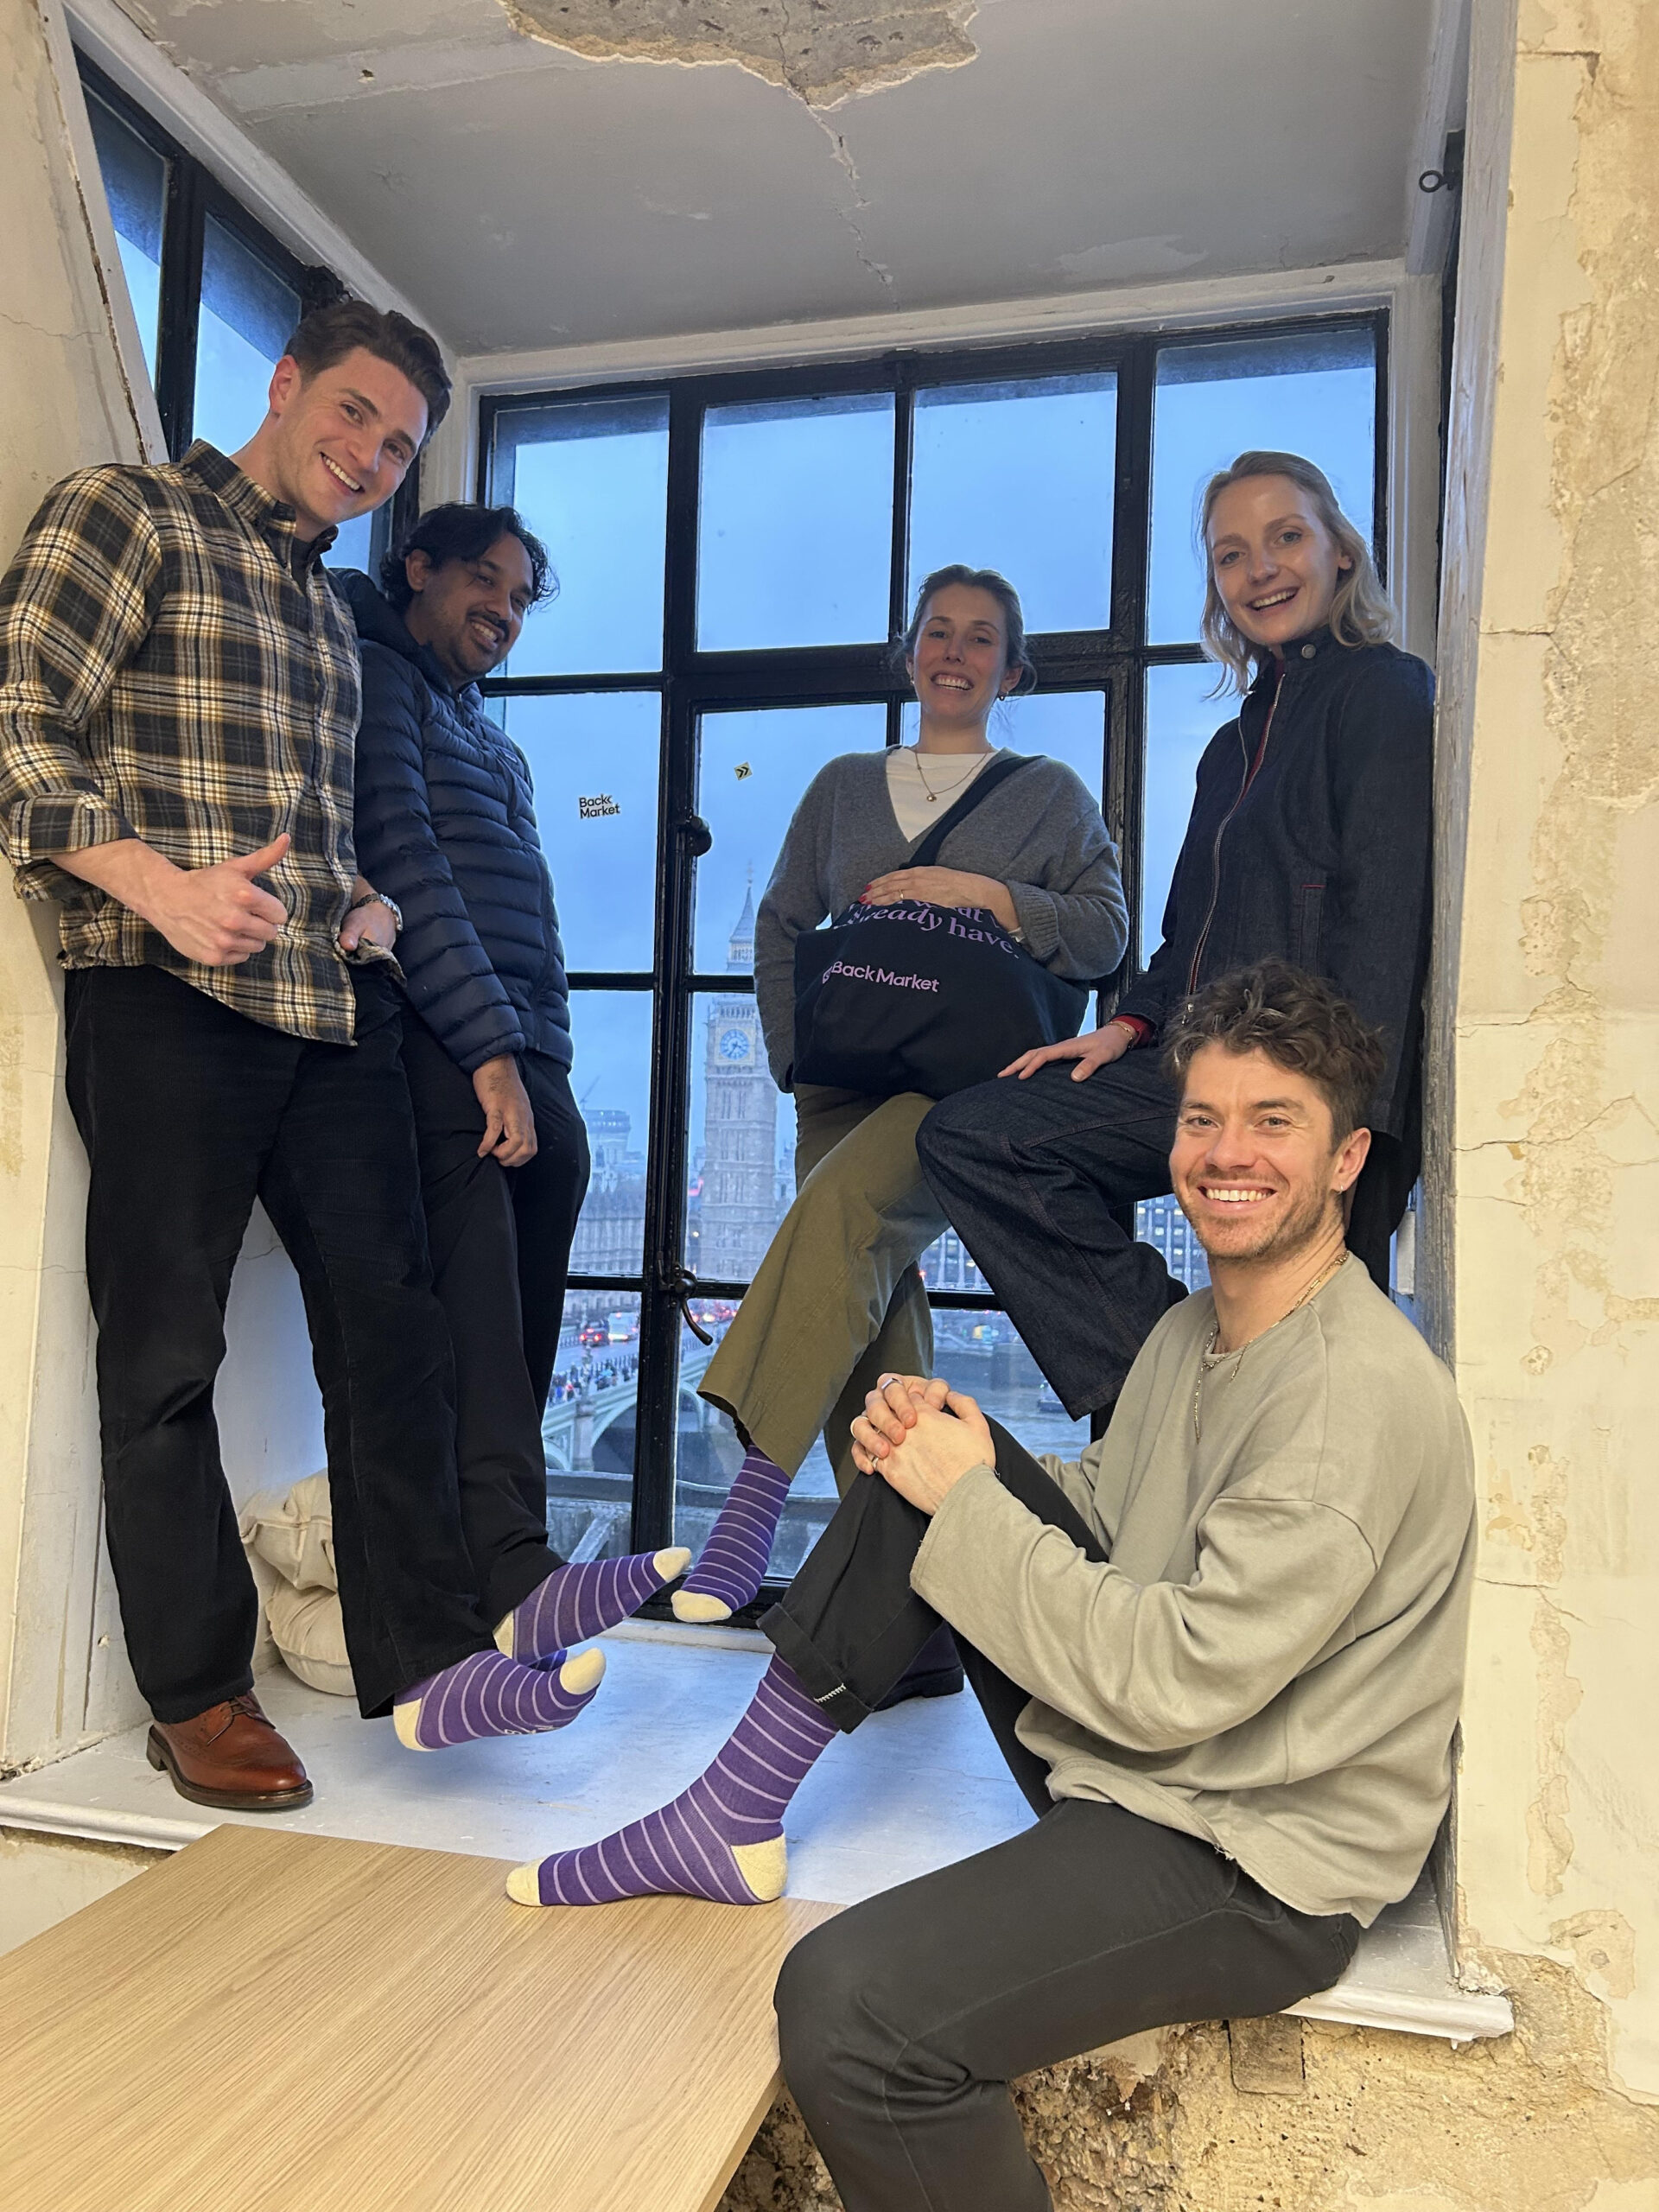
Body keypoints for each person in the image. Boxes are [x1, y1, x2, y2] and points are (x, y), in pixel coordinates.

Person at [506, 963, 1475, 2212]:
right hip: (1164, 1766)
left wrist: (965, 1497)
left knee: (849, 2014)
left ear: (1346, 1159)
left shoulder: (1348, 1405)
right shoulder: (1196, 1333)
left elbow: (1177, 1676)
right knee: (923, 1456)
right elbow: (1113, 1511)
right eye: (1202, 1119)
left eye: (1273, 1123)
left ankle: (728, 1813)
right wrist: (954, 1443)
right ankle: (732, 1809)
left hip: (1256, 1857)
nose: (1227, 1154)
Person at [0, 303, 648, 1813]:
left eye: (398, 445)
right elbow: (23, 729)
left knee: (397, 1333)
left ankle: (427, 1659)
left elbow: (332, 826)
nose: (366, 455)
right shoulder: (127, 513)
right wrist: (160, 884)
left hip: (324, 1011)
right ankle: (195, 1693)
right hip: (161, 995)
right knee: (164, 1355)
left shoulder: (327, 612)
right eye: (350, 415)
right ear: (285, 387)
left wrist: (354, 903)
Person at [917, 452, 1433, 1433]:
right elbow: (1184, 933)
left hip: (1311, 1091)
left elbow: (1384, 926)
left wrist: (1348, 1124)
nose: (1261, 569)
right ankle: (1173, 1378)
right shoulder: (1228, 749)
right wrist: (1127, 1026)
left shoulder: (1383, 695)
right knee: (977, 1136)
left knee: (1316, 1397)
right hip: (1190, 1069)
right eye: (1231, 554)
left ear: (1339, 552)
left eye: (1286, 537)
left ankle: (1199, 1421)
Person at [669, 564, 1128, 1649]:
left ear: (1011, 669)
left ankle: (754, 1496)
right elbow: (783, 920)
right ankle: (908, 1630)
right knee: (879, 1343)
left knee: (836, 1225)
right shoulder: (839, 786)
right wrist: (791, 1057)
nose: (955, 652)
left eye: (981, 638)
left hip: (969, 1084)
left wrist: (977, 894)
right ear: (910, 653)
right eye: (938, 633)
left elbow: (1105, 932)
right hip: (841, 1086)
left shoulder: (1050, 794)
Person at [340, 502, 686, 1656]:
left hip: (528, 1040)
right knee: (477, 1300)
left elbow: (522, 894)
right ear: (418, 570)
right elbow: (403, 855)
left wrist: (543, 1047)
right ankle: (510, 1564)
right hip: (444, 1035)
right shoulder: (385, 679)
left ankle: (496, 1546)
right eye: (483, 581)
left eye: (522, 596)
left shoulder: (490, 734)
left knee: (523, 1310)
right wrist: (486, 1047)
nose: (502, 609)